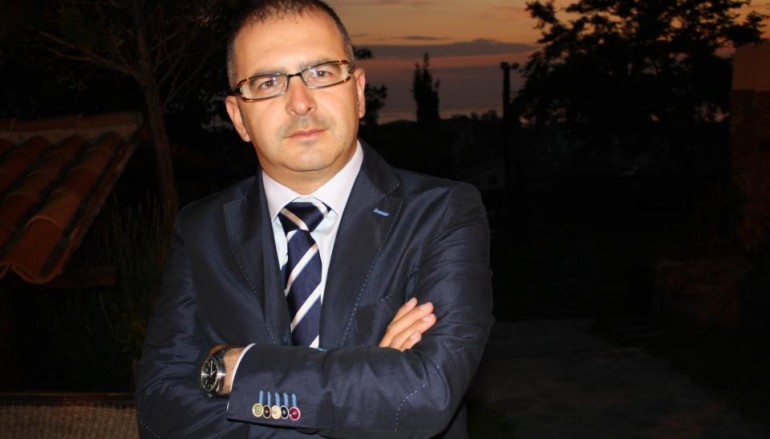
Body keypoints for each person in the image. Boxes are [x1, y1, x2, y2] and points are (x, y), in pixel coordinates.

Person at [134, 0, 493, 437]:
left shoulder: (442, 212)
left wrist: (238, 366)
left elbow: (424, 394)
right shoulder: (201, 230)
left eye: (321, 73)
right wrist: (365, 389)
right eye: (268, 82)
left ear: (357, 92)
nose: (300, 102)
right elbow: (158, 408)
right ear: (238, 117)